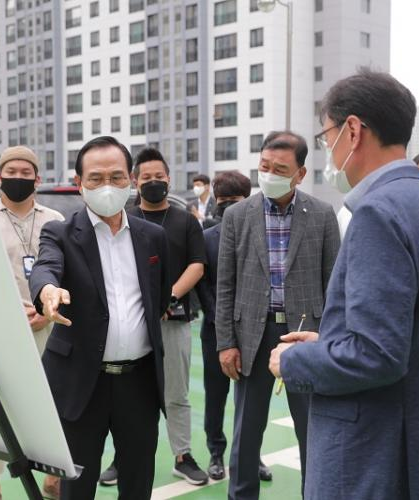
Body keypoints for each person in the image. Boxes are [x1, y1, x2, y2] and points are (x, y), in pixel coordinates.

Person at [269, 70, 419, 499]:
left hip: (375, 456)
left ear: (353, 130)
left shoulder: (378, 212)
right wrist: (330, 341)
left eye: (327, 136)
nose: (329, 149)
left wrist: (294, 361)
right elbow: (416, 334)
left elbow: (376, 355)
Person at [29, 136, 170, 500]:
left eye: (116, 176)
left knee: (138, 481)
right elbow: (45, 267)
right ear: (79, 183)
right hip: (81, 382)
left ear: (131, 180)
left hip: (139, 382)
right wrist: (48, 291)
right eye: (95, 178)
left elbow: (158, 296)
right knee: (77, 486)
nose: (107, 185)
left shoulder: (152, 236)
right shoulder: (60, 233)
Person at [216, 131, 340, 500]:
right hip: (252, 336)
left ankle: (315, 494)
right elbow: (226, 284)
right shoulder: (238, 215)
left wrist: (329, 340)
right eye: (264, 166)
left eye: (280, 169)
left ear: (300, 174)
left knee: (312, 429)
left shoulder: (321, 215)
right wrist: (226, 343)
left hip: (305, 336)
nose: (269, 174)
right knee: (246, 431)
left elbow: (334, 284)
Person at [100, 148, 208, 486]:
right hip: (131, 323)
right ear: (135, 181)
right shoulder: (124, 218)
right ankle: (122, 458)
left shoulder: (185, 220)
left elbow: (197, 265)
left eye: (159, 177)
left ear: (169, 179)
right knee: (128, 395)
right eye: (146, 177)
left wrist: (168, 296)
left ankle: (182, 455)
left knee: (176, 393)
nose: (153, 182)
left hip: (173, 320)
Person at [0, 146, 65, 500]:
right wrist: (12, 312)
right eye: (11, 172)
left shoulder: (55, 219)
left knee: (53, 402)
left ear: (37, 178)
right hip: (2, 327)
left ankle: (53, 473)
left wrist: (45, 311)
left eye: (25, 173)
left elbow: (67, 271)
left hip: (50, 324)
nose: (18, 178)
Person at [194, 170, 273, 482]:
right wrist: (220, 318)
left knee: (252, 400)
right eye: (222, 200)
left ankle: (251, 454)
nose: (227, 205)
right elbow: (203, 284)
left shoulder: (262, 237)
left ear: (247, 199)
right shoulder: (206, 238)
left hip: (255, 331)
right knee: (215, 396)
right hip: (215, 331)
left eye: (235, 200)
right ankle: (216, 453)